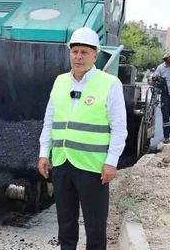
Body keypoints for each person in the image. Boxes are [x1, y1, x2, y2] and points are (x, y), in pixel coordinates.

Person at [37, 27, 127, 250]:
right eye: (74, 51)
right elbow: (49, 120)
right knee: (65, 224)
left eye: (84, 52)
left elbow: (119, 127)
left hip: (93, 167)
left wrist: (111, 162)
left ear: (95, 55)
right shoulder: (59, 82)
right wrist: (43, 153)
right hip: (62, 163)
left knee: (95, 226)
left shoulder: (109, 83)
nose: (78, 57)